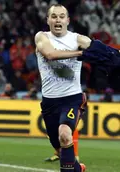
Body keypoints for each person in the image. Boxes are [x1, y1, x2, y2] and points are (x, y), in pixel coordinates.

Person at [35, 4, 91, 172]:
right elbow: (50, 54)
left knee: (65, 135)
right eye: (54, 16)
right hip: (49, 102)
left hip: (71, 98)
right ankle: (78, 169)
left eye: (61, 16)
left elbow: (99, 50)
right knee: (61, 149)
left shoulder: (79, 39)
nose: (57, 19)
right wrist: (80, 54)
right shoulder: (41, 37)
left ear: (67, 20)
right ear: (48, 20)